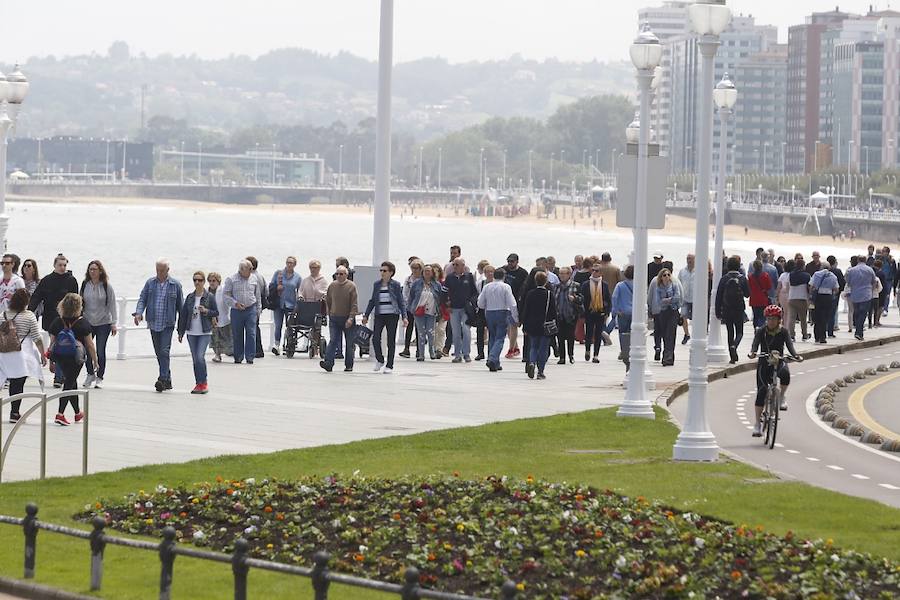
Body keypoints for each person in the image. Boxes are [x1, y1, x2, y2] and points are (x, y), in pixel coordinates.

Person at [748, 305, 802, 436]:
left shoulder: (783, 332)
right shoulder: (761, 331)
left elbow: (789, 345)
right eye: (768, 319)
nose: (771, 321)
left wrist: (796, 356)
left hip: (778, 361)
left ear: (779, 320)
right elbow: (755, 344)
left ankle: (781, 396)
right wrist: (753, 353)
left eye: (773, 319)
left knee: (785, 375)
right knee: (762, 391)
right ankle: (757, 424)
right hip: (764, 362)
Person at [28, 254, 78, 387]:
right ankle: (57, 371)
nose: (62, 267)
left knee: (60, 344)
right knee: (55, 344)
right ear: (54, 265)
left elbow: (76, 300)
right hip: (50, 317)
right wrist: (29, 311)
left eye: (64, 265)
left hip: (66, 318)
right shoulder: (47, 280)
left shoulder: (71, 280)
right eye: (60, 265)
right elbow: (37, 296)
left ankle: (59, 376)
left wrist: (78, 317)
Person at [133, 259, 183, 391]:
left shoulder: (175, 285)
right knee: (159, 353)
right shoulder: (150, 283)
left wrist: (182, 328)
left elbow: (181, 307)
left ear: (168, 270)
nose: (159, 273)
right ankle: (167, 379)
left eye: (162, 270)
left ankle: (162, 379)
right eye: (157, 270)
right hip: (154, 322)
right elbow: (142, 299)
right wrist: (139, 313)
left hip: (167, 324)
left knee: (164, 351)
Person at [48, 293, 98, 426]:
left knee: (71, 381)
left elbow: (52, 343)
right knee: (69, 383)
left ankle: (77, 413)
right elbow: (90, 344)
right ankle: (60, 414)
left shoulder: (57, 322)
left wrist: (51, 361)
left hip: (60, 356)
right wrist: (95, 360)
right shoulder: (83, 323)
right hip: (76, 358)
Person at [1, 289, 47, 423]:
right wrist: (43, 355)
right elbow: (36, 337)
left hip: (4, 353)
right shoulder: (29, 316)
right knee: (18, 383)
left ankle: (13, 412)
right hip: (21, 353)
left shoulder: (3, 314)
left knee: (6, 381)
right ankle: (14, 412)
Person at [177, 271, 218, 394]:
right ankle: (198, 384)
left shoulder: (209, 296)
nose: (197, 282)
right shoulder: (190, 297)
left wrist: (206, 311)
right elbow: (183, 315)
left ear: (204, 282)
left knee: (200, 357)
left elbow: (216, 312)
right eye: (195, 280)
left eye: (199, 280)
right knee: (195, 359)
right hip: (191, 332)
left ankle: (204, 383)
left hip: (204, 332)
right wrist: (180, 332)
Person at [362, 261, 407, 374]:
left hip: (392, 315)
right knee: (375, 338)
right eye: (381, 270)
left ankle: (389, 365)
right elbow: (372, 300)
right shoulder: (377, 284)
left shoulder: (396, 285)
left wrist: (404, 316)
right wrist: (366, 315)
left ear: (391, 272)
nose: (382, 273)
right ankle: (380, 359)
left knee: (391, 340)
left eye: (385, 271)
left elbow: (401, 301)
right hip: (379, 315)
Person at [79, 260, 117, 389]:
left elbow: (112, 305)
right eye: (90, 269)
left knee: (100, 351)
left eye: (95, 269)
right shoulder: (85, 285)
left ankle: (100, 377)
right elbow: (80, 302)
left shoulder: (106, 286)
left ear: (100, 271)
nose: (92, 272)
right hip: (88, 321)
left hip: (103, 322)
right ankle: (90, 374)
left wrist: (113, 323)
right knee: (87, 350)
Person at [477, 267, 518, 372]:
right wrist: (515, 317)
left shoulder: (487, 286)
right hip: (502, 312)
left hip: (489, 313)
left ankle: (495, 362)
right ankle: (492, 358)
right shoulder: (506, 287)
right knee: (500, 338)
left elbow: (480, 303)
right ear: (503, 276)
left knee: (492, 337)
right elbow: (512, 303)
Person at [320, 265, 358, 372]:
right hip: (334, 318)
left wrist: (351, 318)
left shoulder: (351, 286)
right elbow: (328, 300)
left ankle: (349, 365)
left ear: (346, 275)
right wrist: (329, 312)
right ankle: (328, 363)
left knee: (349, 343)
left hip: (347, 318)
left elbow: (354, 304)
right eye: (337, 274)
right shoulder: (332, 286)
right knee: (333, 341)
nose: (339, 276)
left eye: (341, 274)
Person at [223, 259, 261, 365]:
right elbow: (226, 295)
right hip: (237, 310)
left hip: (251, 309)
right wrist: (235, 303)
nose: (251, 271)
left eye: (252, 269)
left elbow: (257, 295)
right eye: (249, 269)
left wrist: (258, 309)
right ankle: (238, 357)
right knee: (237, 334)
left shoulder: (254, 278)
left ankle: (250, 357)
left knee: (251, 333)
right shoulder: (231, 279)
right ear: (241, 269)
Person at [521, 271, 556, 380]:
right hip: (545, 324)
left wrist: (524, 325)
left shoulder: (530, 293)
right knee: (543, 349)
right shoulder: (549, 294)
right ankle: (540, 371)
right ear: (546, 281)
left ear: (535, 281)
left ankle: (532, 362)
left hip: (532, 324)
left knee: (533, 346)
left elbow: (526, 310)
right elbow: (553, 311)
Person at [715, 256, 750, 364]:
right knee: (739, 332)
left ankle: (732, 356)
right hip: (739, 309)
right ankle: (735, 345)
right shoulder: (742, 278)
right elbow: (747, 294)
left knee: (730, 331)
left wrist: (717, 311)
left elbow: (718, 296)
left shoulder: (724, 279)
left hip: (727, 309)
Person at [443, 258, 477, 363]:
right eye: (453, 264)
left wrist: (472, 303)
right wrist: (446, 304)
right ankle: (457, 354)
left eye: (457, 265)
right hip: (454, 309)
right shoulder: (449, 277)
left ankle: (466, 353)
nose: (455, 267)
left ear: (463, 266)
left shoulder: (469, 277)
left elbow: (474, 292)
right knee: (456, 332)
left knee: (466, 330)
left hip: (465, 309)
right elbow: (444, 292)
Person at [410, 264, 445, 361]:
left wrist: (441, 310)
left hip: (431, 311)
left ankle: (431, 351)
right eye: (425, 271)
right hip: (419, 311)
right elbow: (411, 296)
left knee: (431, 332)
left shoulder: (437, 284)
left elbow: (440, 297)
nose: (427, 272)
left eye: (429, 271)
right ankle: (421, 354)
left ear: (432, 273)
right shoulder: (417, 283)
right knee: (421, 333)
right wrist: (411, 308)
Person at [648, 268, 682, 366]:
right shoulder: (658, 287)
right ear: (661, 277)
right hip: (662, 312)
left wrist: (667, 300)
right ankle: (665, 355)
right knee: (664, 334)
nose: (667, 276)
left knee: (671, 334)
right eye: (664, 275)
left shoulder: (674, 285)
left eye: (668, 275)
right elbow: (659, 301)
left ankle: (669, 357)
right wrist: (669, 300)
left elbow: (678, 297)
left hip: (673, 311)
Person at [269, 256, 302, 356]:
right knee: (278, 325)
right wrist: (277, 287)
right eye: (288, 262)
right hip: (279, 304)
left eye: (291, 263)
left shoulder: (297, 277)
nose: (289, 264)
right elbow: (271, 286)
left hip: (291, 304)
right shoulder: (278, 274)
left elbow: (300, 291)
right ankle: (276, 345)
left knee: (290, 326)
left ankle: (288, 345)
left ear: (295, 264)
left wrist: (298, 305)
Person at [579, 263, 611, 363]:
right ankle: (588, 350)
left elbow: (608, 299)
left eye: (596, 271)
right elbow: (582, 299)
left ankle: (596, 355)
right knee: (588, 333)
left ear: (600, 273)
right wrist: (582, 313)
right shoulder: (586, 284)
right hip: (589, 312)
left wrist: (607, 312)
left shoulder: (604, 285)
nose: (594, 272)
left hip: (600, 312)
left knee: (598, 334)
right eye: (592, 270)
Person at [554, 266, 582, 365]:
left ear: (569, 274)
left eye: (563, 273)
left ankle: (571, 355)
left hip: (571, 315)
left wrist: (575, 298)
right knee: (560, 337)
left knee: (570, 337)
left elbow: (581, 299)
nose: (561, 276)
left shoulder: (575, 285)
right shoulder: (556, 287)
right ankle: (562, 357)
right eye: (560, 273)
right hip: (559, 315)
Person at [503, 253, 529, 359]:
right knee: (507, 327)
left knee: (513, 325)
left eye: (512, 261)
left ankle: (511, 349)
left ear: (517, 262)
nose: (510, 263)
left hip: (516, 302)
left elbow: (525, 287)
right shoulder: (504, 270)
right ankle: (516, 347)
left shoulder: (523, 273)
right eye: (508, 261)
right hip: (504, 302)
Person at [846, 255, 876, 341]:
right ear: (865, 260)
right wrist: (872, 291)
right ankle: (859, 332)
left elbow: (848, 282)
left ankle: (858, 330)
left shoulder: (851, 270)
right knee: (863, 314)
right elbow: (874, 282)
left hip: (855, 294)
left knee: (856, 313)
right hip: (866, 294)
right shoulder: (870, 270)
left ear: (858, 260)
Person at [611, 266, 635, 371]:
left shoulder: (620, 285)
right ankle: (631, 349)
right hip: (634, 313)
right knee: (632, 333)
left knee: (622, 333)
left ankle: (624, 351)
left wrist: (615, 310)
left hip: (623, 313)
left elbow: (614, 298)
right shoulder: (638, 285)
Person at [207, 272, 233, 363]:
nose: (211, 283)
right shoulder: (206, 292)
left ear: (218, 281)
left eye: (214, 281)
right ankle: (217, 355)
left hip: (223, 317)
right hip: (211, 318)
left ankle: (231, 352)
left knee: (226, 338)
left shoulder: (222, 290)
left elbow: (229, 301)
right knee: (214, 337)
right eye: (210, 281)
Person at [399, 259, 423, 359]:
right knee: (409, 327)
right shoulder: (408, 279)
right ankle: (406, 348)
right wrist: (406, 303)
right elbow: (405, 292)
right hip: (409, 306)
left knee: (419, 328)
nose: (414, 270)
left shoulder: (422, 279)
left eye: (416, 268)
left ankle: (419, 349)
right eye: (413, 268)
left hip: (420, 306)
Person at [810, 263, 838, 344]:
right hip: (828, 297)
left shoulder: (816, 274)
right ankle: (823, 337)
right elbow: (836, 289)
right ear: (829, 268)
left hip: (818, 297)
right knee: (825, 318)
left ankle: (817, 337)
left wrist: (811, 296)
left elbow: (811, 286)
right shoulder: (833, 276)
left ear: (821, 267)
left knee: (817, 317)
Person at [246, 256, 267, 360]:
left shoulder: (253, 277)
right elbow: (266, 291)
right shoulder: (260, 276)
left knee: (253, 329)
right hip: (258, 305)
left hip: (253, 306)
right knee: (255, 327)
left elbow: (257, 293)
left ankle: (257, 350)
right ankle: (258, 349)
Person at [786, 259, 811, 342]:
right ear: (803, 266)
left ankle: (791, 335)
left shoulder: (790, 275)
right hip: (802, 298)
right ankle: (804, 335)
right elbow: (809, 287)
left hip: (792, 298)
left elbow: (788, 286)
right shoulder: (806, 275)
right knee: (803, 319)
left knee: (791, 318)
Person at [473, 263, 493, 360]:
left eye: (491, 272)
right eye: (487, 272)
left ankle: (491, 353)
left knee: (492, 332)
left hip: (492, 310)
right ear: (484, 273)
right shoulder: (480, 283)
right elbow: (476, 294)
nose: (490, 274)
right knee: (480, 331)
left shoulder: (496, 284)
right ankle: (480, 353)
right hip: (481, 309)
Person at [747, 259, 772, 329]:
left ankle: (756, 328)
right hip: (763, 299)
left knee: (755, 315)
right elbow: (769, 287)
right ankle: (760, 329)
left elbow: (749, 287)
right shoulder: (765, 275)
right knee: (762, 316)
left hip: (754, 299)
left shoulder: (750, 277)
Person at [677, 254, 695, 345]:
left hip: (695, 298)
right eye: (687, 258)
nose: (689, 260)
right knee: (683, 316)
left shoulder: (698, 271)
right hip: (684, 297)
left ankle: (695, 334)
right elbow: (678, 282)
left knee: (695, 318)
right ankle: (686, 334)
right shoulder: (682, 271)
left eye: (691, 258)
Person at [826, 256, 845, 339]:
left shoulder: (822, 271)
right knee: (832, 312)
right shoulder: (837, 271)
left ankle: (824, 328)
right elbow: (842, 283)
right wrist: (840, 290)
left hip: (824, 294)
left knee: (824, 312)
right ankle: (830, 331)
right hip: (835, 293)